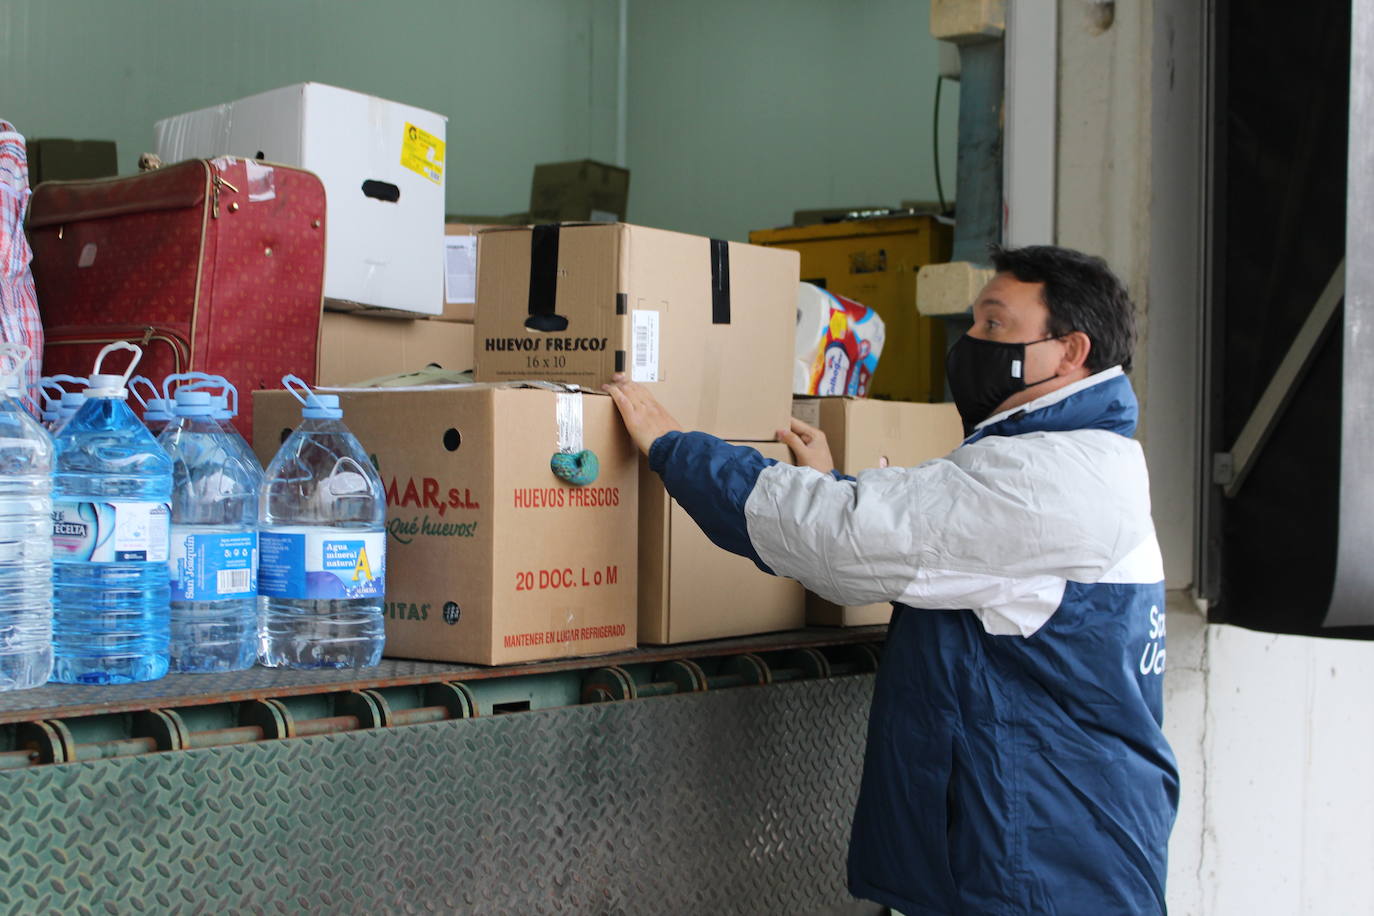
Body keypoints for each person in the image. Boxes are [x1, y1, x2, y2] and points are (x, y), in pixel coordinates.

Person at [603, 244, 1179, 915]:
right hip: (1049, 838)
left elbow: (852, 542)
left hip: (1047, 861)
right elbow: (931, 549)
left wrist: (677, 449)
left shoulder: (1049, 479)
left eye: (995, 325)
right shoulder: (1069, 462)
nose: (971, 341)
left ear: (1070, 352)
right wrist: (826, 487)